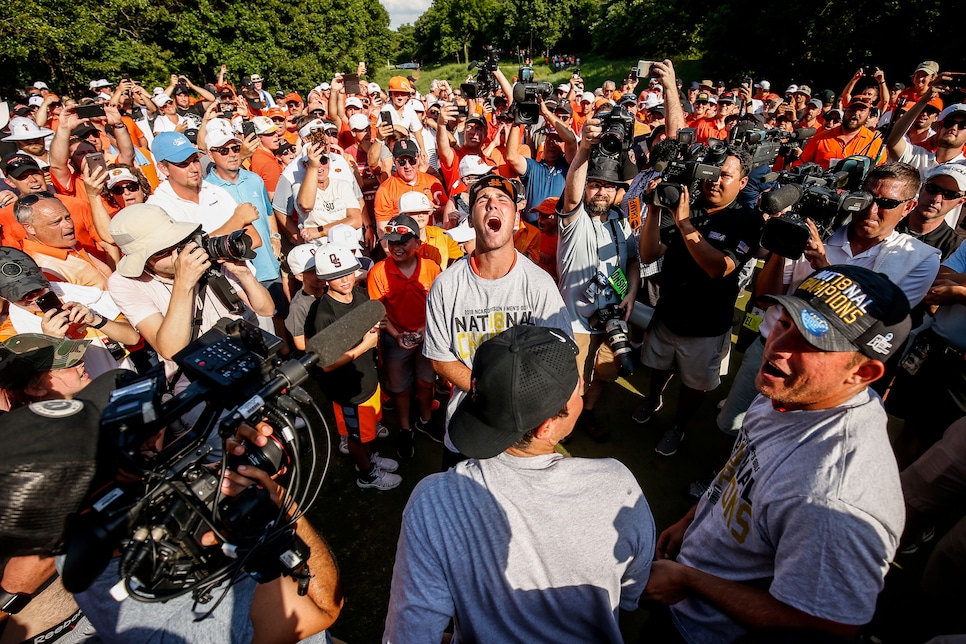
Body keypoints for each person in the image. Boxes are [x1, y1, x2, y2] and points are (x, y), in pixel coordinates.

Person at [644, 265, 911, 642]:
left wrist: (692, 582)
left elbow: (826, 625)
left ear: (863, 372)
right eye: (784, 323)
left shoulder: (835, 499)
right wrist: (693, 519)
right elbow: (743, 468)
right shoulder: (789, 391)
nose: (778, 347)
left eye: (812, 343)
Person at [384, 325, 656, 642]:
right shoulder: (617, 485)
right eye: (575, 384)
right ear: (546, 428)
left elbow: (408, 636)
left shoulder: (432, 501)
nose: (582, 383)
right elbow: (631, 592)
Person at [423, 175, 571, 468]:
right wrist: (486, 390)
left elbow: (560, 352)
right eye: (482, 201)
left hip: (523, 428)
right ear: (472, 220)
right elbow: (440, 360)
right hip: (466, 422)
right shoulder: (446, 286)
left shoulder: (539, 283)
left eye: (503, 200)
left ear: (516, 220)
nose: (492, 204)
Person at [635, 141, 763, 457]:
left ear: (743, 182)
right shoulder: (684, 204)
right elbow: (650, 253)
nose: (714, 181)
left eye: (725, 176)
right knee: (659, 366)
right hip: (668, 313)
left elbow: (720, 268)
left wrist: (684, 222)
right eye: (709, 172)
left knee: (695, 384)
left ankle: (679, 426)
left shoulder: (747, 220)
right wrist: (653, 209)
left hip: (707, 325)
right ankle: (653, 399)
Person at [106, 204, 273, 384]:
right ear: (142, 260)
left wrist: (244, 274)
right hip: (196, 380)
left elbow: (266, 309)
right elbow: (170, 350)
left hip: (247, 358)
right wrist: (183, 281)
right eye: (162, 251)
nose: (177, 255)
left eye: (179, 243)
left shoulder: (203, 250)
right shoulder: (125, 283)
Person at [557, 118, 639, 442]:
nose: (601, 191)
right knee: (571, 382)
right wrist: (584, 150)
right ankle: (564, 426)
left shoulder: (621, 221)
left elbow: (631, 260)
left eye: (608, 185)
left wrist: (630, 292)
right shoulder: (572, 221)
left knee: (606, 372)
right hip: (576, 323)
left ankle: (587, 414)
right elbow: (572, 190)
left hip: (614, 317)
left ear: (617, 190)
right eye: (594, 184)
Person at [311, 243, 401, 490]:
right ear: (324, 279)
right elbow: (326, 364)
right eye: (336, 276)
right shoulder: (323, 314)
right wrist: (366, 345)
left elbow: (375, 316)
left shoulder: (360, 295)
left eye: (348, 272)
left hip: (368, 381)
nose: (345, 279)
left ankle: (369, 459)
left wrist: (381, 326)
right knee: (357, 438)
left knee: (366, 433)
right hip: (349, 391)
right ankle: (367, 475)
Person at [367, 214, 441, 458]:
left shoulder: (432, 268)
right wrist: (397, 335)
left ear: (418, 244)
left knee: (426, 380)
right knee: (399, 388)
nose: (396, 247)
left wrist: (423, 329)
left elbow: (439, 306)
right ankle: (405, 427)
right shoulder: (378, 272)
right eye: (392, 242)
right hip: (394, 338)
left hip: (427, 334)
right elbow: (378, 312)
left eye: (403, 241)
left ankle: (426, 419)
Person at [796, 97, 885, 170]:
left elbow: (880, 173)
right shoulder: (821, 137)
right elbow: (801, 164)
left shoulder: (875, 142)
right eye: (852, 109)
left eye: (861, 110)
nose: (856, 113)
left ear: (869, 114)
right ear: (845, 110)